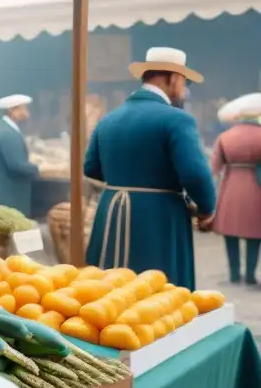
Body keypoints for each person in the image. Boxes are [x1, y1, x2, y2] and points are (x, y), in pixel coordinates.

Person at [84, 47, 216, 290]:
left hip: (111, 207)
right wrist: (206, 209)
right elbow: (195, 175)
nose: (184, 89)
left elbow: (91, 167)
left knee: (106, 290)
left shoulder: (109, 119)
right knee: (159, 293)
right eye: (184, 81)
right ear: (173, 78)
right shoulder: (177, 118)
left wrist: (126, 178)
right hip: (159, 215)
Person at [211, 93, 261, 285]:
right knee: (255, 234)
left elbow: (214, 167)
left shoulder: (225, 137)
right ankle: (250, 275)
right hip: (256, 188)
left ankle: (233, 273)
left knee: (230, 233)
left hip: (231, 185)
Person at [0, 94, 38, 216]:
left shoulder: (0, 127)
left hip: (3, 196)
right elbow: (17, 165)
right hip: (11, 197)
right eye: (23, 109)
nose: (27, 113)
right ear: (12, 111)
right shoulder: (8, 134)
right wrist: (36, 169)